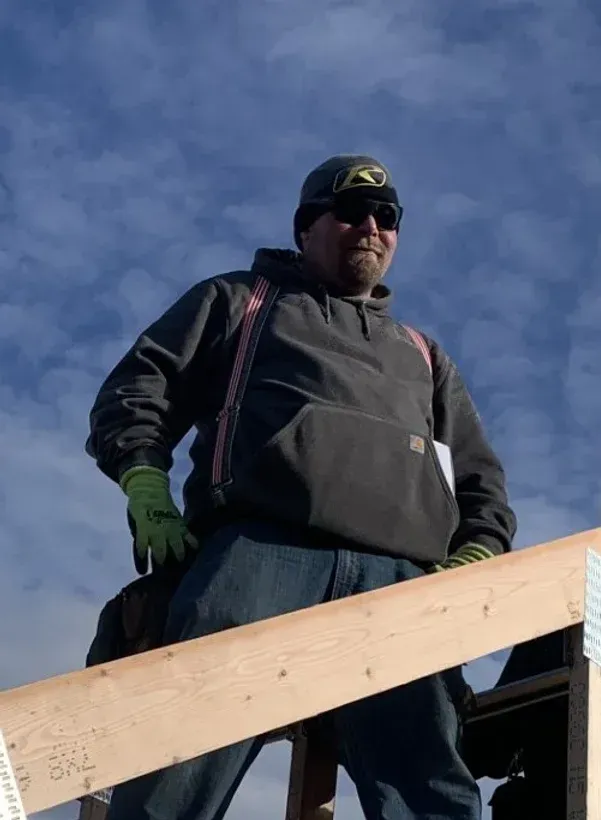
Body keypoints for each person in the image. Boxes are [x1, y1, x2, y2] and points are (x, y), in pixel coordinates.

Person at [86, 154, 517, 820]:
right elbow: (141, 387)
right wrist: (146, 484)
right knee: (180, 759)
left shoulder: (423, 356)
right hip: (257, 554)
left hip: (401, 581)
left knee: (428, 786)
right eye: (349, 212)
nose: (370, 226)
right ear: (305, 226)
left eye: (386, 216)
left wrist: (474, 557)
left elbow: (478, 479)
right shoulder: (241, 300)